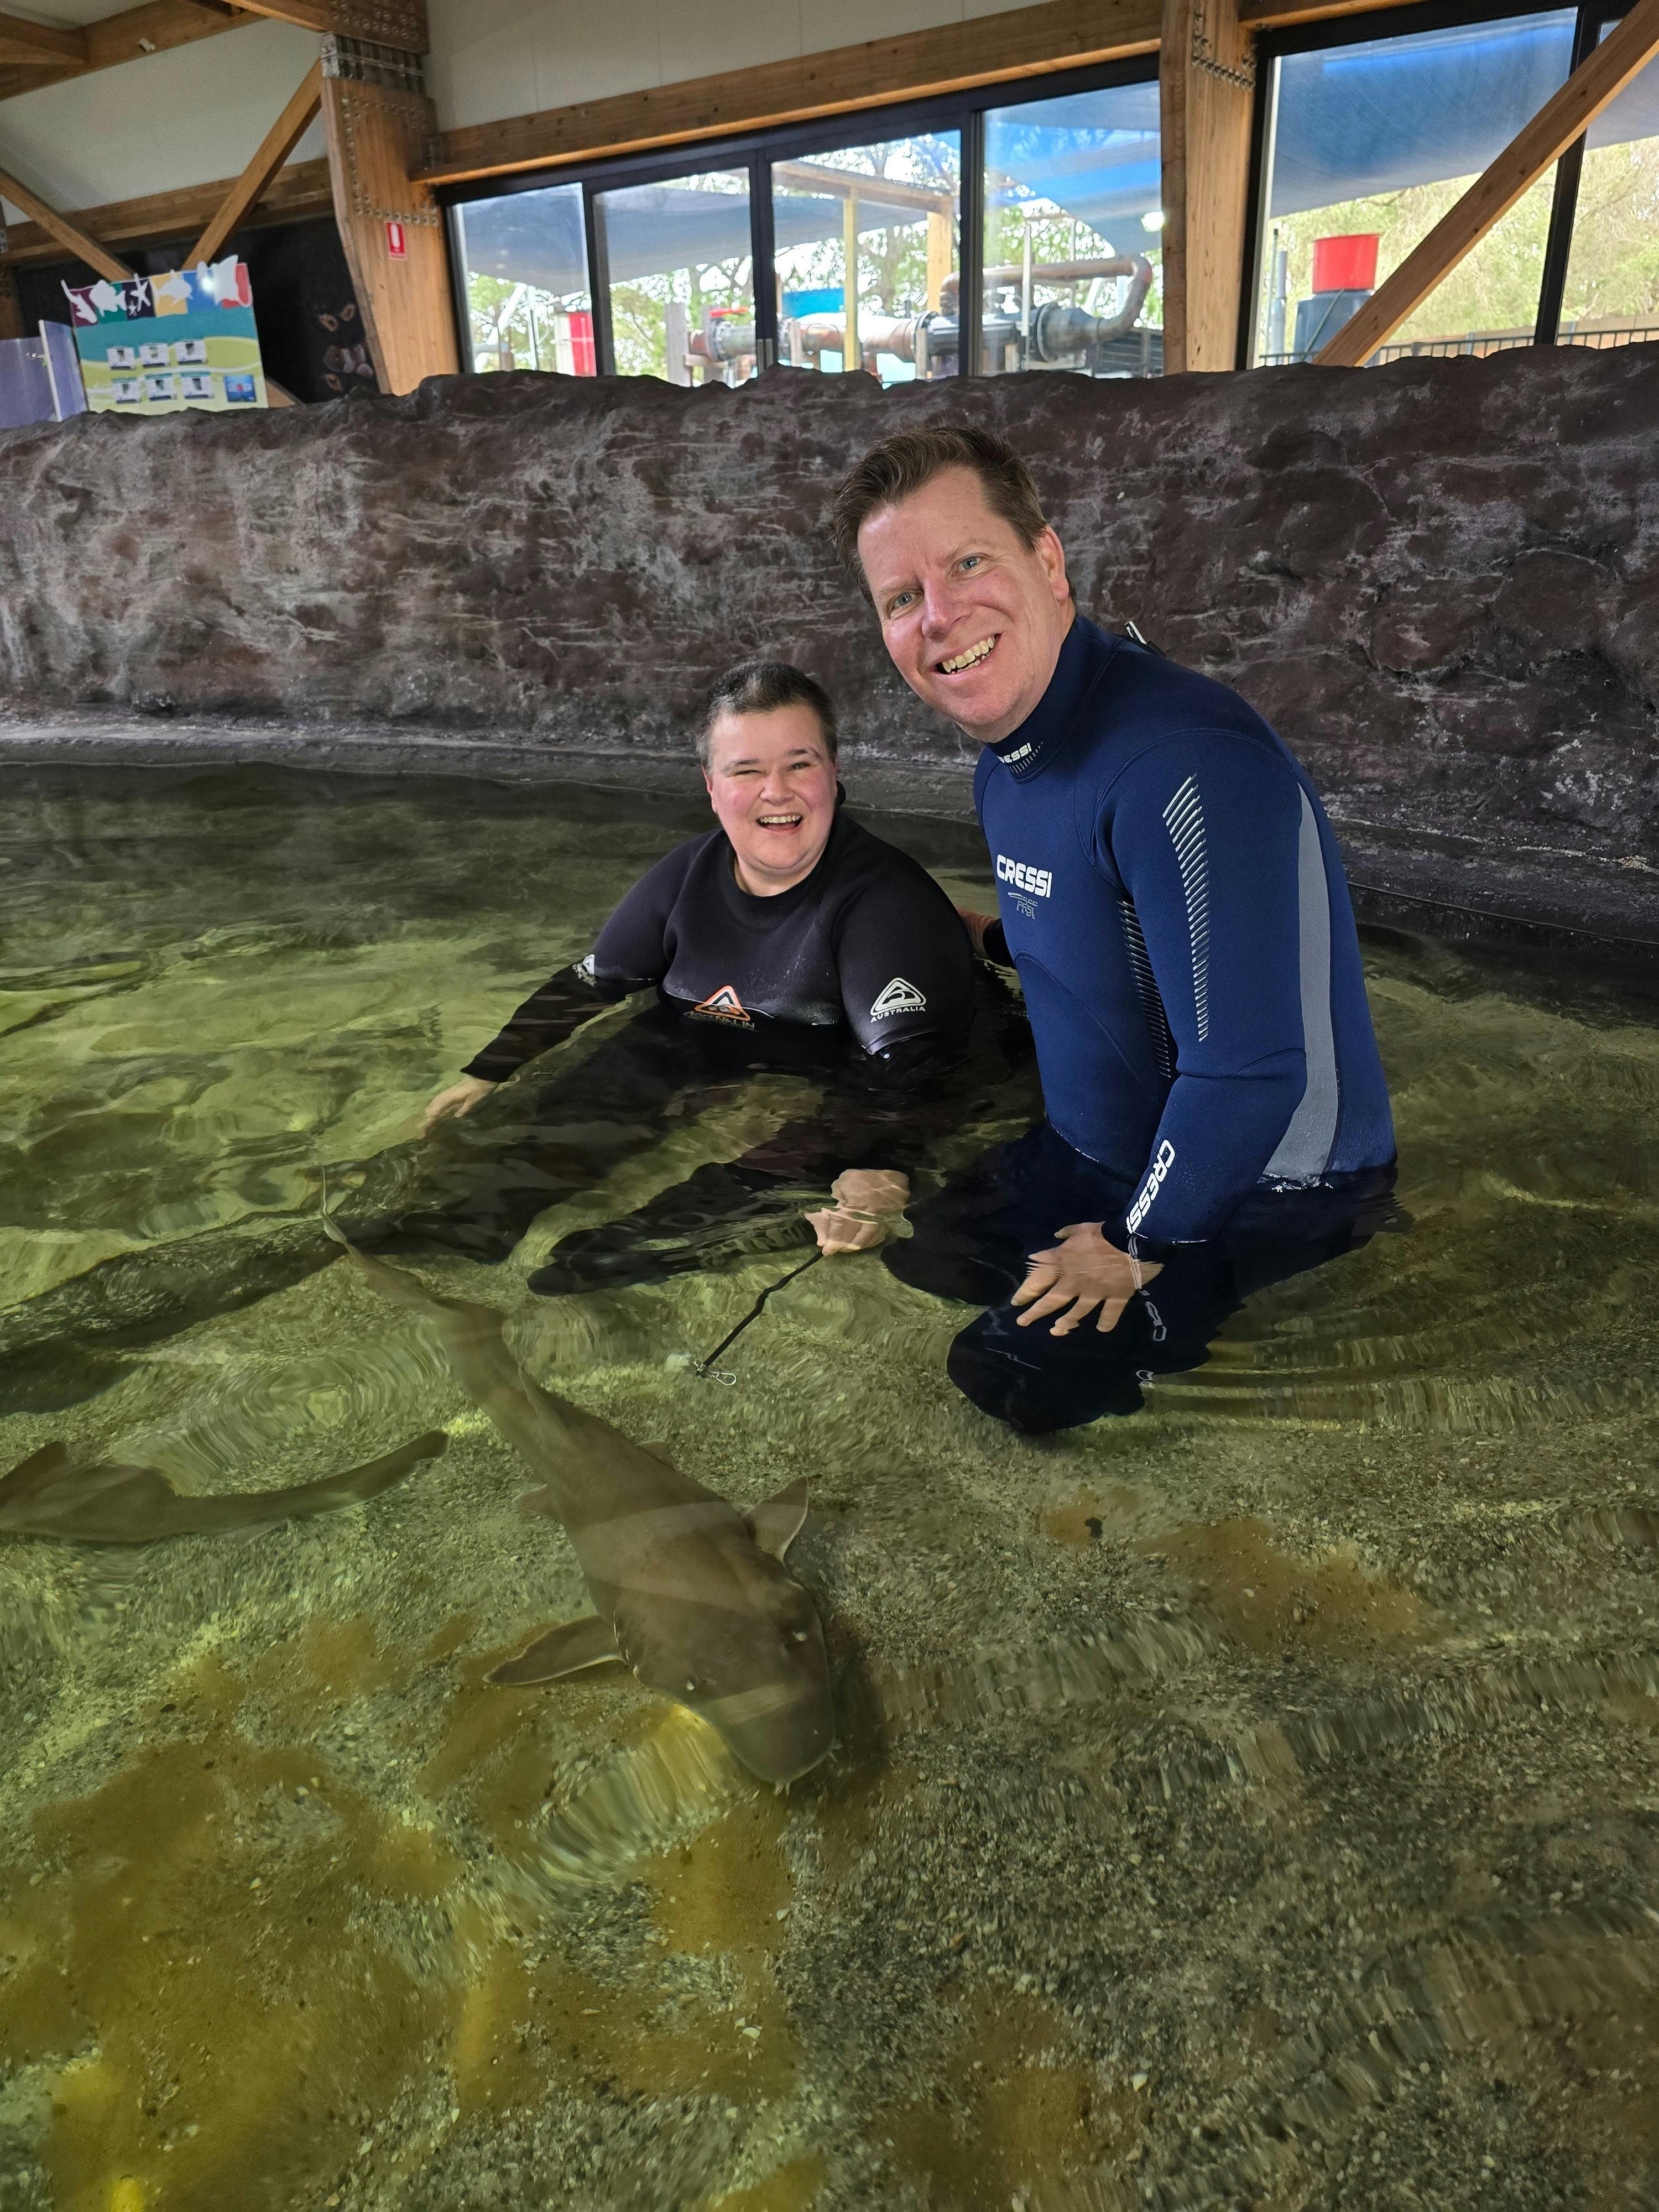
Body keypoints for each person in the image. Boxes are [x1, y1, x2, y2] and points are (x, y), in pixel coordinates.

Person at [828, 425, 1397, 1432]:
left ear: (1047, 562)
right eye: (903, 598)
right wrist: (989, 941)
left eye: (968, 565)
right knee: (927, 1251)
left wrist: (1138, 1240)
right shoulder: (1012, 749)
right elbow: (1112, 922)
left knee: (1008, 1380)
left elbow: (1252, 1075)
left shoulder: (1184, 763)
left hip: (1264, 1181)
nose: (941, 618)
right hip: (1098, 1149)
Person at [378, 658, 1016, 1292]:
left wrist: (882, 1165)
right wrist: (490, 1068)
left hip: (862, 1062)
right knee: (619, 1071)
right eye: (747, 771)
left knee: (798, 1155)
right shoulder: (685, 875)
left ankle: (649, 1245)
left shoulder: (887, 904)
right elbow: (592, 980)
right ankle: (476, 1223)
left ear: (834, 771)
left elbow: (917, 1073)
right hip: (705, 1030)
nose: (777, 792)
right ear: (711, 785)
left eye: (800, 764)